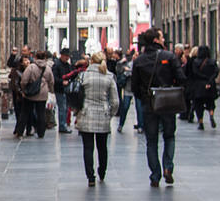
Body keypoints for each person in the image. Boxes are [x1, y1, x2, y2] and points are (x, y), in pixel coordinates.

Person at [130, 27, 186, 187]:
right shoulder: (169, 57)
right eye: (161, 37)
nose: (163, 40)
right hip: (168, 102)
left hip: (149, 104)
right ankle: (168, 167)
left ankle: (155, 174)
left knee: (151, 141)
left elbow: (135, 86)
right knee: (169, 136)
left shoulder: (139, 61)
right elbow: (181, 78)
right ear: (156, 40)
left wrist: (145, 97)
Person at [74, 52, 119, 186]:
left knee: (88, 147)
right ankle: (102, 171)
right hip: (103, 115)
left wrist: (78, 112)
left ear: (91, 61)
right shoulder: (109, 77)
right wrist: (110, 113)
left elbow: (77, 96)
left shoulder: (83, 76)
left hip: (87, 113)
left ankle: (90, 176)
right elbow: (115, 102)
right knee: (102, 146)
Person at [20, 50, 54, 139]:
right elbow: (51, 81)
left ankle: (20, 131)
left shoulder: (31, 67)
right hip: (43, 94)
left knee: (25, 112)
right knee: (41, 113)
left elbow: (24, 80)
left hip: (31, 93)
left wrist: (24, 90)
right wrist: (50, 90)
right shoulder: (48, 68)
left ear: (35, 57)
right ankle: (41, 132)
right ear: (45, 58)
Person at [188, 45, 219, 130]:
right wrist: (210, 80)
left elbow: (195, 73)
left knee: (198, 105)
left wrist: (203, 78)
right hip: (210, 85)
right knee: (211, 102)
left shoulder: (195, 61)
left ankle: (200, 122)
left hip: (199, 85)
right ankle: (211, 114)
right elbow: (216, 72)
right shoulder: (212, 61)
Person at [52, 48, 72, 133]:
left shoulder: (67, 65)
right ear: (62, 55)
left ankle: (63, 124)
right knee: (62, 108)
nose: (67, 58)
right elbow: (54, 78)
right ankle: (62, 125)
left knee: (65, 108)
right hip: (59, 89)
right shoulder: (57, 65)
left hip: (66, 89)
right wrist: (62, 81)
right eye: (66, 56)